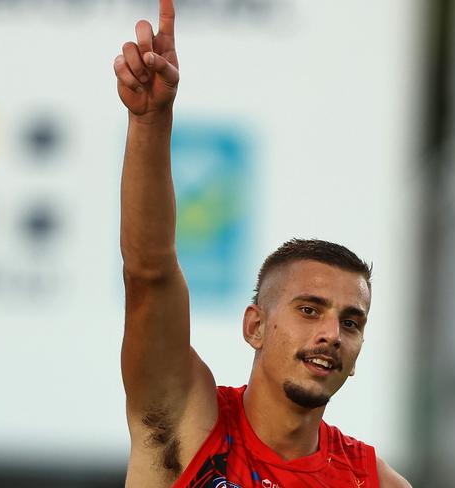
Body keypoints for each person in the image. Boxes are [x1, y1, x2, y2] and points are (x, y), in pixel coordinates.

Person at [113, 1, 411, 486]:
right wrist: (150, 122)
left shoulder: (374, 482)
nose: (333, 334)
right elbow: (148, 273)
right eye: (309, 309)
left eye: (351, 322)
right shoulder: (187, 424)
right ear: (255, 325)